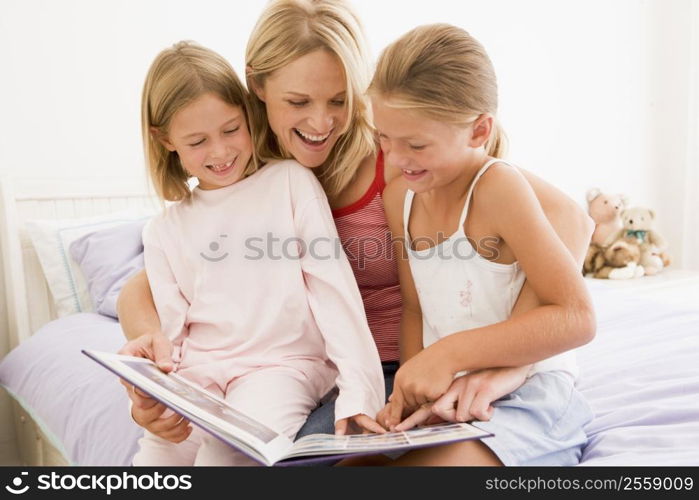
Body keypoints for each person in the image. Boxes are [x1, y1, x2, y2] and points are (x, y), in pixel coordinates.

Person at [118, 0, 593, 445]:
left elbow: (569, 220)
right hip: (300, 376)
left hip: (397, 367)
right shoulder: (241, 169)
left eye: (339, 100)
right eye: (298, 102)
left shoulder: (400, 156)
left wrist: (509, 362)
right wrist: (155, 361)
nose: (321, 122)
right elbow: (147, 284)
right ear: (258, 88)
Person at [349, 23, 595, 466]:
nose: (396, 158)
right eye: (383, 138)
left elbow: (576, 317)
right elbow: (415, 309)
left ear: (479, 130)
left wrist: (449, 355)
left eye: (416, 144)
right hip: (449, 400)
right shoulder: (399, 197)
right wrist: (406, 391)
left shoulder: (498, 187)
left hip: (528, 397)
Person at [129, 40, 384, 466]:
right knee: (155, 460)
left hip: (281, 367)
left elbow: (335, 293)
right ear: (165, 139)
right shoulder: (163, 230)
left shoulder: (290, 183)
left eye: (231, 129)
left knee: (225, 457)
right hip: (200, 373)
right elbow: (171, 339)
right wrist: (153, 396)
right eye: (197, 141)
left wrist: (360, 393)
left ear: (249, 115)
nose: (221, 151)